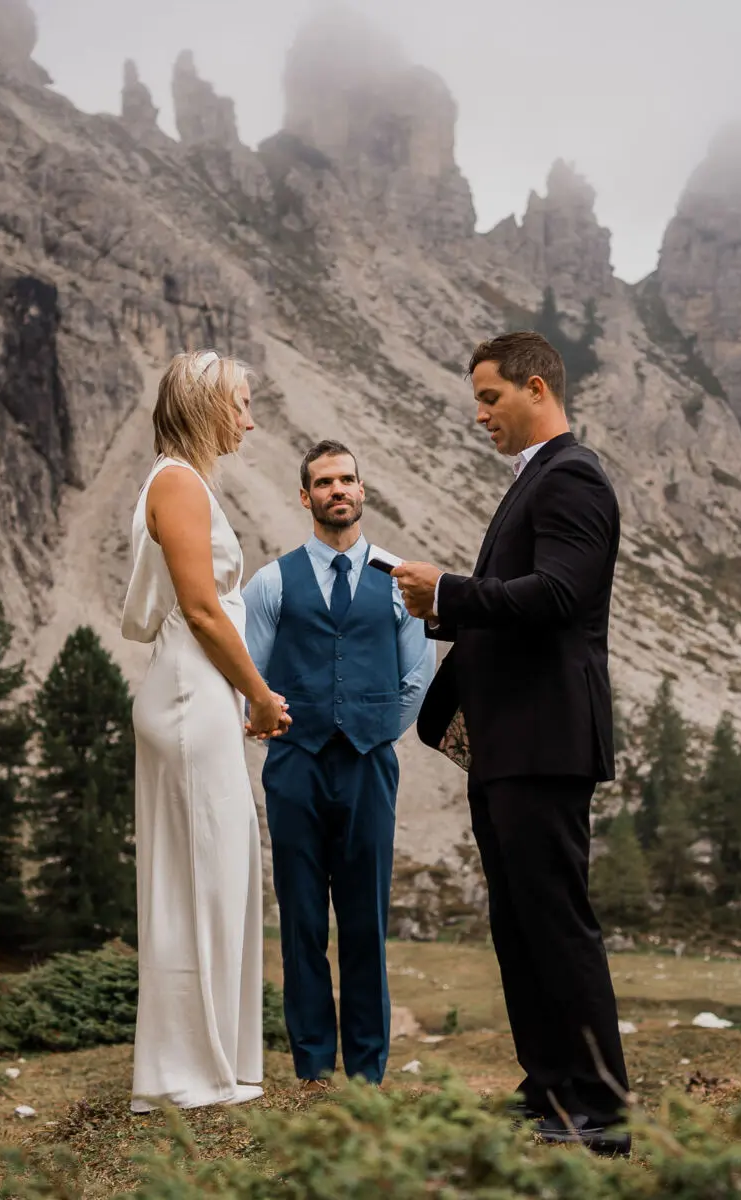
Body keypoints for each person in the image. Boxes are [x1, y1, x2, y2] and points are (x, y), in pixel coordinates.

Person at [393, 331, 631, 1153]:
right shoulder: (535, 481)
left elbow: (561, 594)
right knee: (518, 924)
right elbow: (517, 597)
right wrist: (445, 607)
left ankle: (599, 1108)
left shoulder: (572, 476)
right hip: (506, 745)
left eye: (490, 399)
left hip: (546, 742)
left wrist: (450, 590)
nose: (481, 416)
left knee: (557, 924)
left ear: (538, 388)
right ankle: (549, 1091)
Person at [120, 349, 290, 1113]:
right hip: (193, 694)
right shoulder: (179, 483)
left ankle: (209, 1064)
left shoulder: (179, 483)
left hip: (196, 693)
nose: (250, 420)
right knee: (203, 878)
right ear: (203, 406)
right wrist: (259, 695)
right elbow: (201, 610)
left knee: (210, 877)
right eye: (242, 404)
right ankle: (190, 1073)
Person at [243, 440, 434, 1092]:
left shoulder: (399, 578)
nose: (337, 490)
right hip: (294, 768)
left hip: (368, 768)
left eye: (347, 479)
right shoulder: (271, 582)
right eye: (324, 482)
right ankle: (314, 1073)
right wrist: (280, 727)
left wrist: (374, 731)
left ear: (363, 489)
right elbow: (252, 675)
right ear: (306, 497)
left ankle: (368, 1074)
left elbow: (417, 673)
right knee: (300, 922)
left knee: (365, 924)